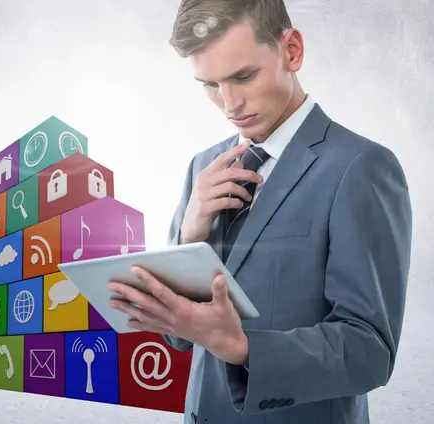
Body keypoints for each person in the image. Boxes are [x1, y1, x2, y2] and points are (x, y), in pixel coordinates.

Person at [107, 0, 413, 423]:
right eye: (210, 85)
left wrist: (243, 348)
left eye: (243, 76)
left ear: (292, 51)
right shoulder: (203, 166)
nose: (229, 104)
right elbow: (176, 339)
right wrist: (190, 233)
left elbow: (370, 352)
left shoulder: (361, 169)